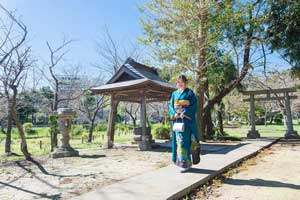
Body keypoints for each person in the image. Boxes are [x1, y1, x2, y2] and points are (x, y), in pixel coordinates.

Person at [169, 75, 200, 172]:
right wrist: (174, 114)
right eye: (179, 82)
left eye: (182, 82)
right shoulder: (174, 93)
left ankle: (185, 164)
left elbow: (194, 105)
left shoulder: (190, 93)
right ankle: (185, 162)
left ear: (186, 83)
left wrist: (184, 113)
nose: (180, 84)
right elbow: (171, 105)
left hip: (186, 120)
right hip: (177, 120)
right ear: (176, 83)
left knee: (184, 141)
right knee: (179, 141)